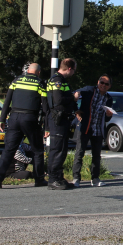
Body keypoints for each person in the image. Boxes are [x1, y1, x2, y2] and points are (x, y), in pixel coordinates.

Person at [0, 63, 48, 189]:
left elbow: (7, 101)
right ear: (38, 72)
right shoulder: (39, 83)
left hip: (14, 117)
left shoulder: (16, 80)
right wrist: (46, 126)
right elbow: (45, 106)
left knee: (8, 150)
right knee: (37, 150)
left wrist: (2, 119)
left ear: (28, 70)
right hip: (30, 119)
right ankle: (39, 179)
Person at [71, 74, 114, 187]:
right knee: (80, 152)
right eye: (102, 83)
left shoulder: (108, 98)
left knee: (96, 155)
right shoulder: (89, 90)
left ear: (109, 86)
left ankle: (95, 178)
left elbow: (108, 118)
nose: (103, 85)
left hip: (98, 129)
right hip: (85, 126)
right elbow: (75, 95)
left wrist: (109, 115)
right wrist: (76, 110)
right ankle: (76, 178)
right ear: (98, 82)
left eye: (106, 84)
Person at [46, 58, 78, 190]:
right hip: (58, 119)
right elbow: (58, 100)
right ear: (69, 68)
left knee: (61, 149)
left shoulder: (59, 80)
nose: (74, 73)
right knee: (57, 150)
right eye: (74, 69)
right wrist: (73, 97)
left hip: (61, 120)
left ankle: (58, 177)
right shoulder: (57, 80)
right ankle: (53, 179)